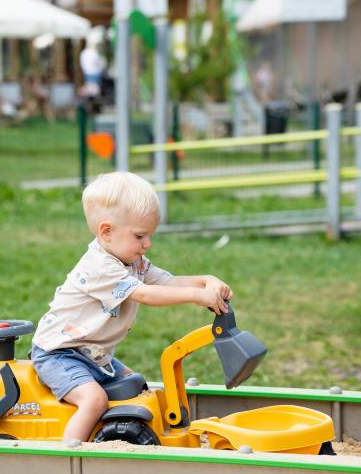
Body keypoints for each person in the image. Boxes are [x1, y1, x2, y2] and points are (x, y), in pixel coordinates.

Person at [30, 172, 233, 442]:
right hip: (60, 353)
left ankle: (115, 436)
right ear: (107, 231)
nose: (147, 244)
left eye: (149, 235)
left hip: (93, 353)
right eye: (140, 236)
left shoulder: (131, 261)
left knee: (135, 385)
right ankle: (68, 455)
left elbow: (167, 282)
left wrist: (206, 281)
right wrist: (197, 296)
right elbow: (146, 294)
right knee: (94, 400)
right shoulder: (100, 267)